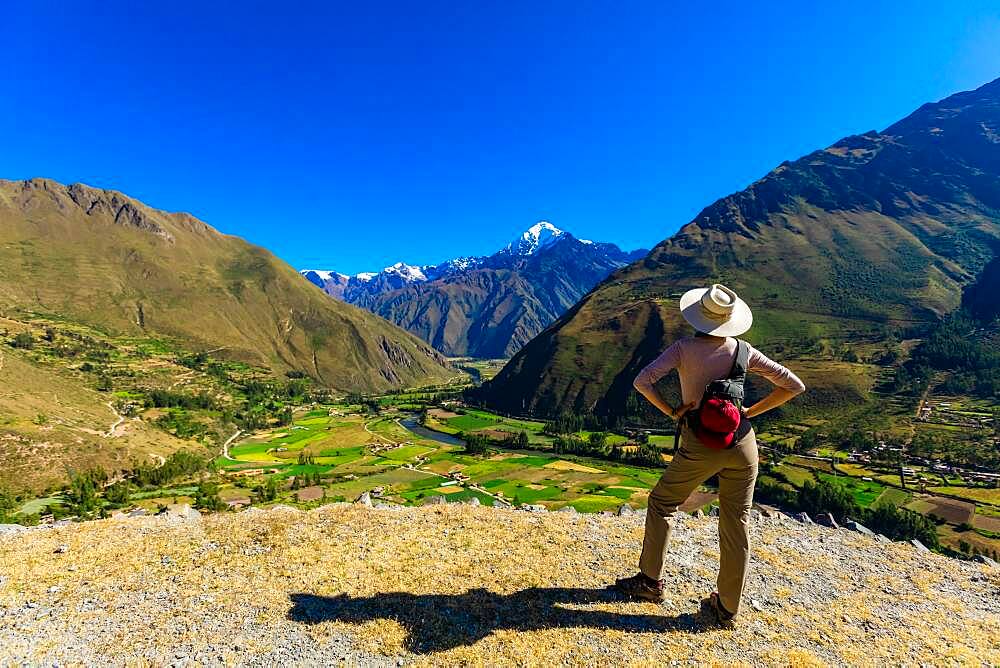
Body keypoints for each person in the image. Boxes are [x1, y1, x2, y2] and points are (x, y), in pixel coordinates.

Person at [615, 283, 805, 624]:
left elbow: (643, 381)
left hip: (700, 444)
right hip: (742, 444)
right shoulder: (744, 352)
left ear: (698, 316)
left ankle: (649, 582)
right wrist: (750, 411)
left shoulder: (683, 349)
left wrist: (673, 411)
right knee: (736, 522)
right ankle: (727, 608)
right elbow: (794, 385)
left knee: (661, 503)